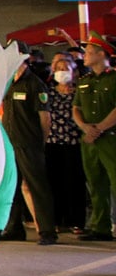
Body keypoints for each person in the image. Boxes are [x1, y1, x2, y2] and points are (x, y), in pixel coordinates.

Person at [0, 51, 55, 244]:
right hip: (10, 142)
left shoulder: (34, 84)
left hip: (29, 143)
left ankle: (47, 230)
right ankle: (14, 228)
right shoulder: (7, 83)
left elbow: (45, 118)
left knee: (37, 186)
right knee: (11, 188)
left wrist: (41, 141)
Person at [72, 32, 116, 241]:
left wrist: (99, 128)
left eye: (89, 52)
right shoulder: (84, 80)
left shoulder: (114, 78)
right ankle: (101, 227)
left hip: (110, 138)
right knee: (95, 184)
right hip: (90, 140)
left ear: (101, 54)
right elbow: (76, 108)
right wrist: (85, 128)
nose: (85, 56)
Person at [46, 55, 87, 232]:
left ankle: (76, 221)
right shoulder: (48, 91)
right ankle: (57, 221)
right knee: (54, 182)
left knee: (75, 183)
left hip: (73, 142)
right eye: (59, 68)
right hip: (52, 142)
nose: (62, 72)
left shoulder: (80, 91)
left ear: (73, 72)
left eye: (66, 68)